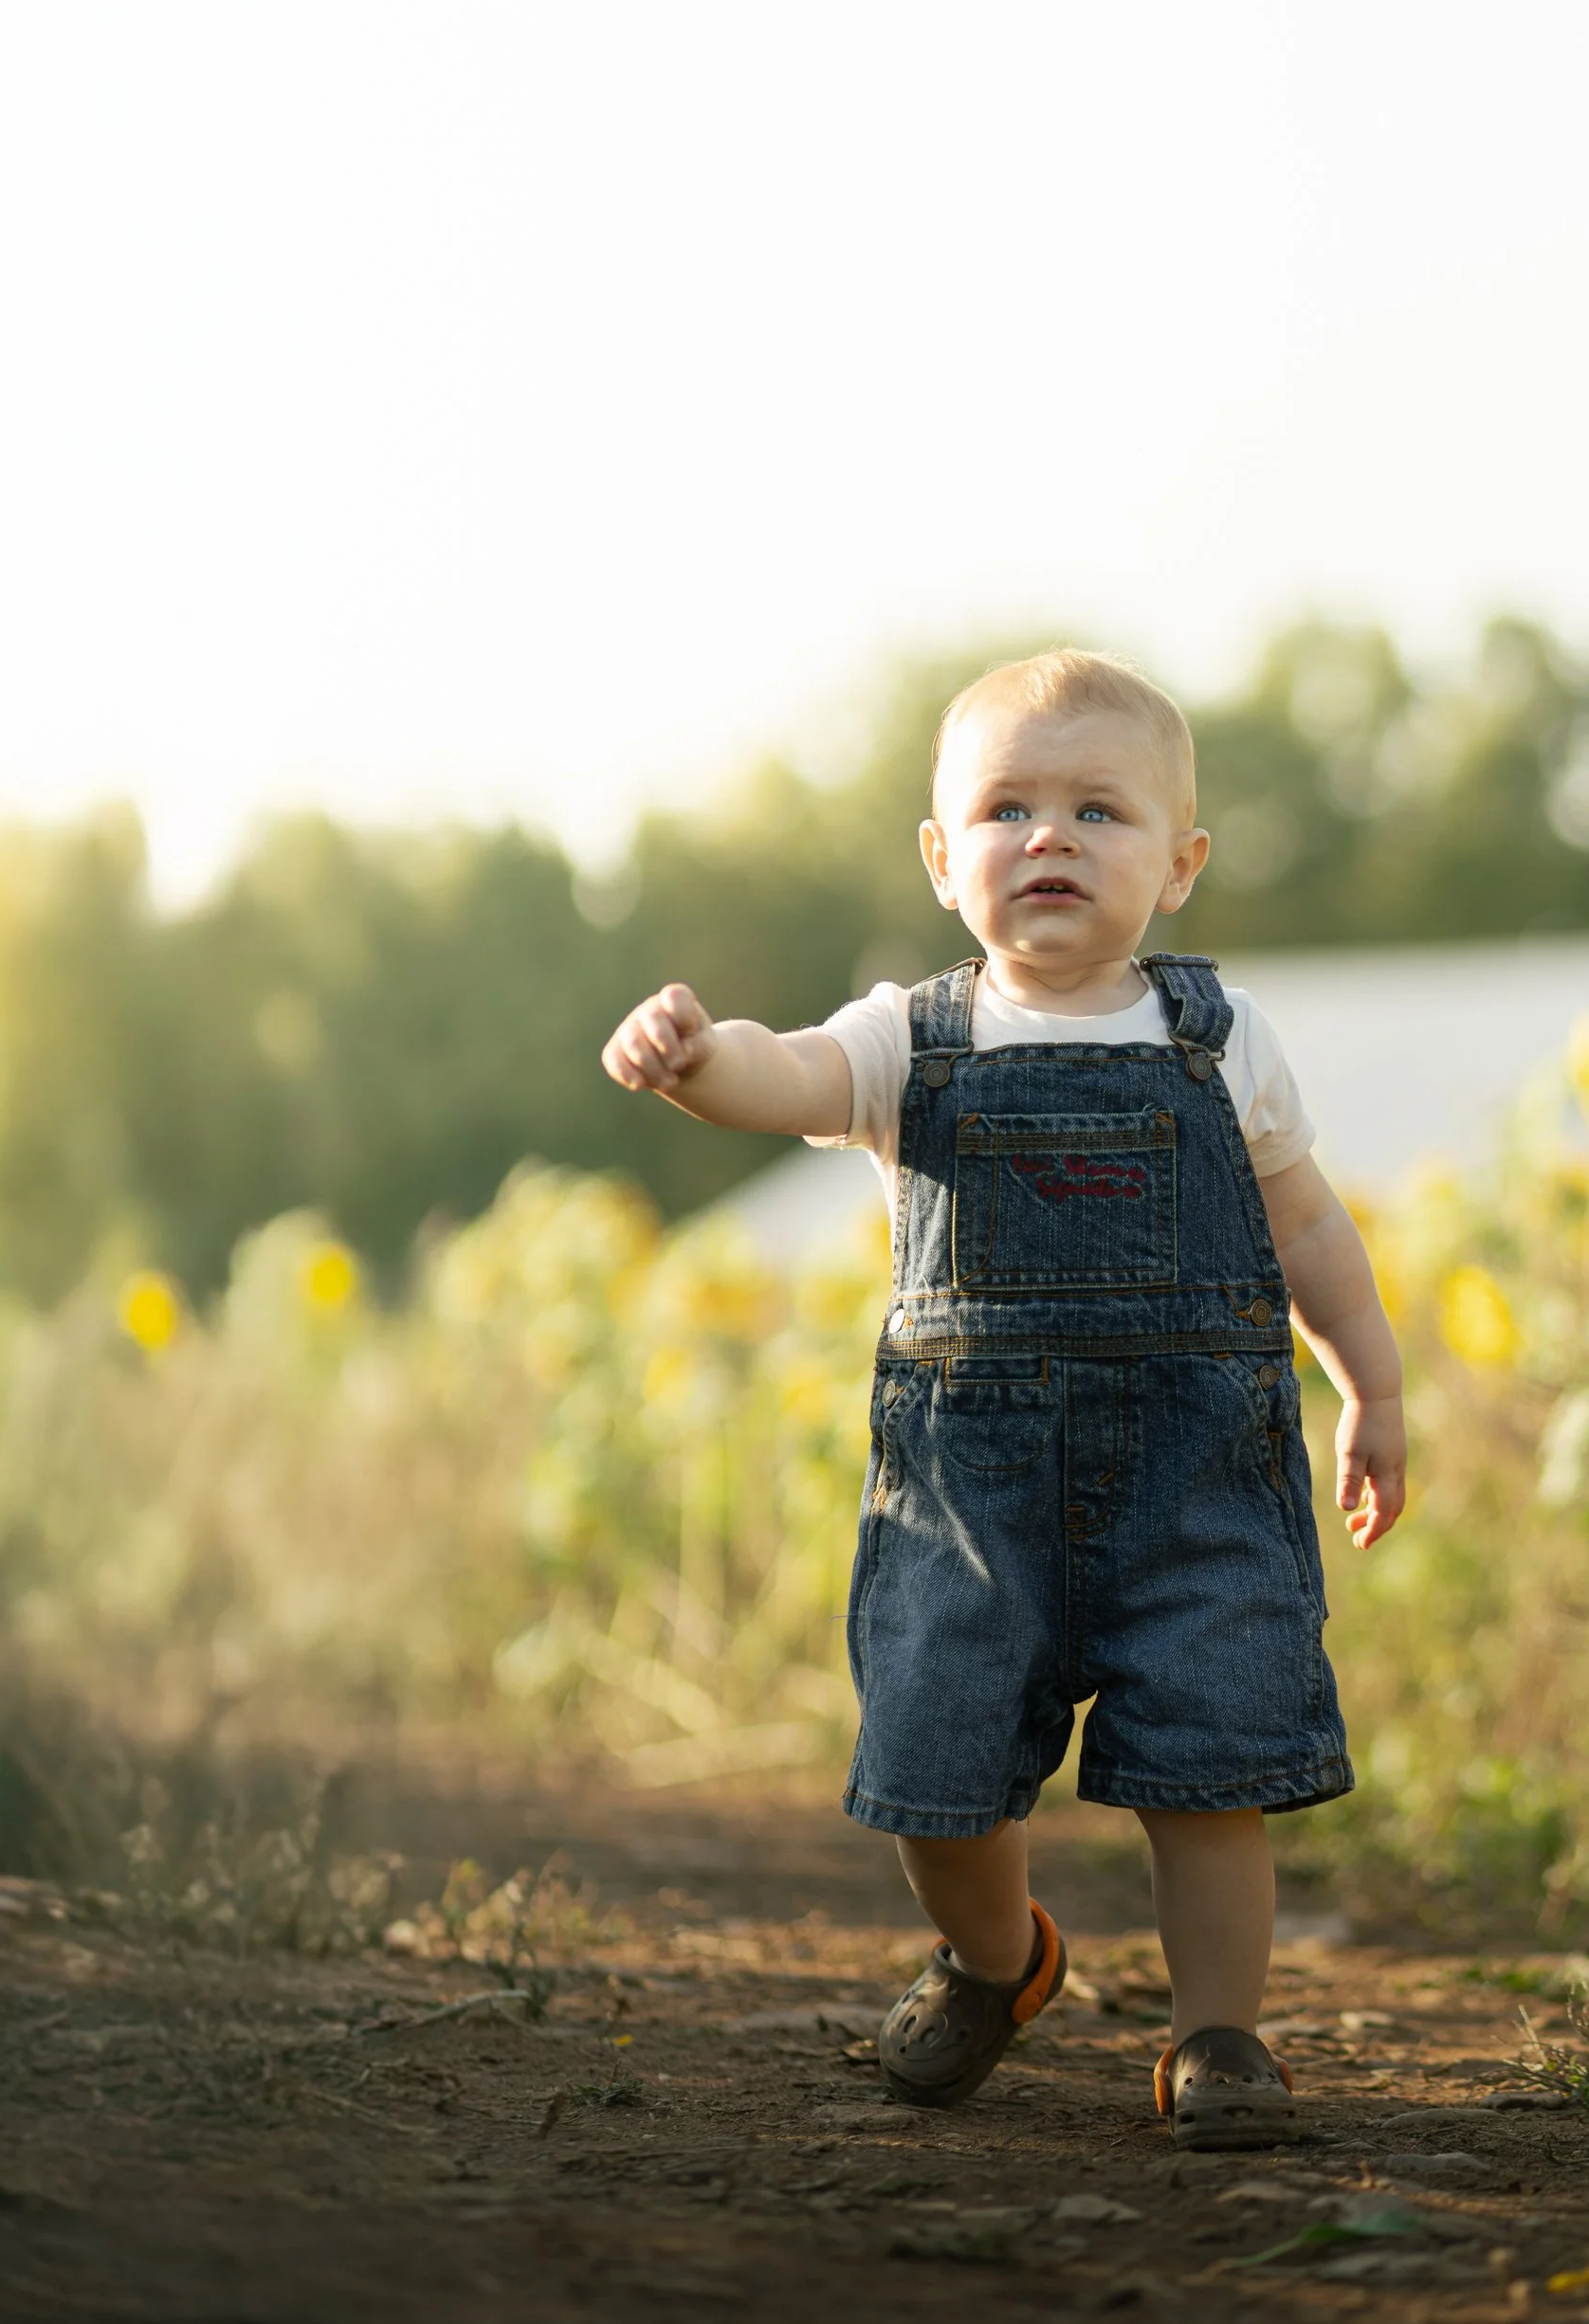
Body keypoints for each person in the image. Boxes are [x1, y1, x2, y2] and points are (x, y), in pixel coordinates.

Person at [602, 649, 1406, 2148]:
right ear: (940, 855)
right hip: (967, 1500)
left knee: (1211, 1770)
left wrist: (1371, 1382)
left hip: (1196, 1479)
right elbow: (783, 1076)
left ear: (1178, 866)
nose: (1049, 837)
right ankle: (998, 1956)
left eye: (1099, 811)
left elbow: (1308, 1228)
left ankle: (1218, 2033)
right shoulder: (913, 1036)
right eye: (1007, 808)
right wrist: (699, 1062)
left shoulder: (1218, 1041)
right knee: (938, 1769)